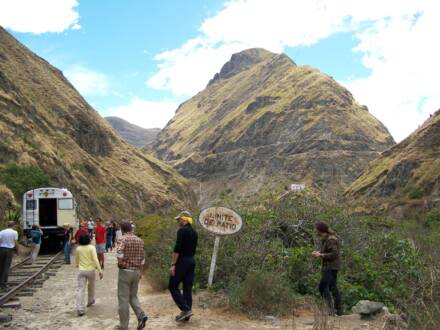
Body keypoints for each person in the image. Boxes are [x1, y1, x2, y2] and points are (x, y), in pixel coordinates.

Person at [115, 222, 148, 330]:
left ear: (122, 229)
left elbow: (119, 251)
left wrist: (120, 263)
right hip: (137, 272)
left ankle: (123, 326)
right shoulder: (139, 240)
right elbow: (143, 259)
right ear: (131, 228)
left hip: (125, 272)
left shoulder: (122, 239)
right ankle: (141, 315)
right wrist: (141, 272)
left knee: (123, 299)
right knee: (133, 296)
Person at [169, 211, 198, 322]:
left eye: (179, 219)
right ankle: (186, 315)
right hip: (191, 261)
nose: (178, 221)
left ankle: (185, 309)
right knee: (187, 288)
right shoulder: (195, 232)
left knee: (172, 286)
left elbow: (177, 248)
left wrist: (173, 264)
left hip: (182, 261)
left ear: (185, 219)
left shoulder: (182, 231)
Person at [312, 221, 342, 316]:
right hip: (331, 266)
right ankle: (338, 310)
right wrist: (319, 253)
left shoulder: (331, 239)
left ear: (320, 230)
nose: (315, 231)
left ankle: (331, 310)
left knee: (323, 287)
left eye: (316, 229)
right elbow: (328, 251)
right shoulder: (326, 239)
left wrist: (321, 255)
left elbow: (334, 254)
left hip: (330, 267)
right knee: (332, 287)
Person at [75, 234, 103, 316]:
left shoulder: (78, 249)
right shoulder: (92, 248)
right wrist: (100, 271)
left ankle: (80, 309)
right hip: (91, 270)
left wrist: (77, 264)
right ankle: (90, 301)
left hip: (81, 270)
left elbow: (77, 259)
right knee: (91, 286)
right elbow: (95, 259)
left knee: (80, 289)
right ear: (88, 240)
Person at [0, 221, 19, 289]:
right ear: (13, 226)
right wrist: (17, 250)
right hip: (9, 250)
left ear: (8, 225)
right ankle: (4, 284)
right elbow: (16, 242)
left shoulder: (2, 232)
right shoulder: (14, 232)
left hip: (1, 249)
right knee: (6, 267)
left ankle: (1, 282)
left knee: (1, 266)